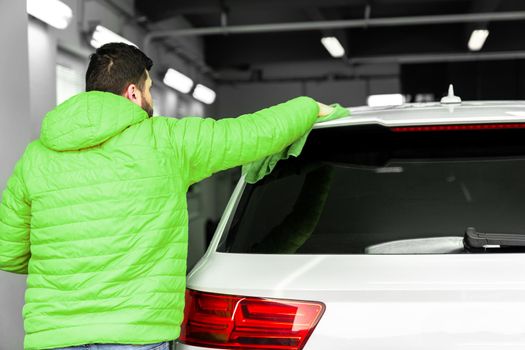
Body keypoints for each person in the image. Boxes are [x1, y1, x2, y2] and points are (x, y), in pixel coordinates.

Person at [0, 42, 334, 350]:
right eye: (149, 89)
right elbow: (249, 135)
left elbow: (7, 252)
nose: (151, 99)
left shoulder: (36, 156)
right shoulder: (166, 142)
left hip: (53, 336)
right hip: (136, 333)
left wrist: (74, 261)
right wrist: (305, 107)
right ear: (133, 92)